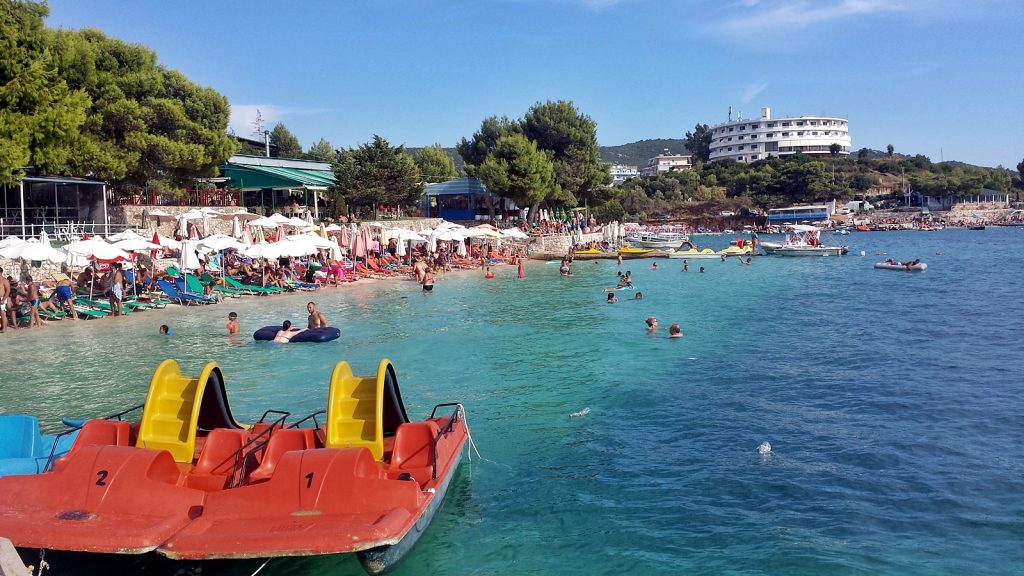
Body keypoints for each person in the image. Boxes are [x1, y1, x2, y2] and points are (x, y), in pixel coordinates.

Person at [0, 268, 9, 333]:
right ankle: (2, 326)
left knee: (3, 313)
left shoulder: (4, 280)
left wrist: (4, 299)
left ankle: (4, 328)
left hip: (2, 298)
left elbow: (8, 290)